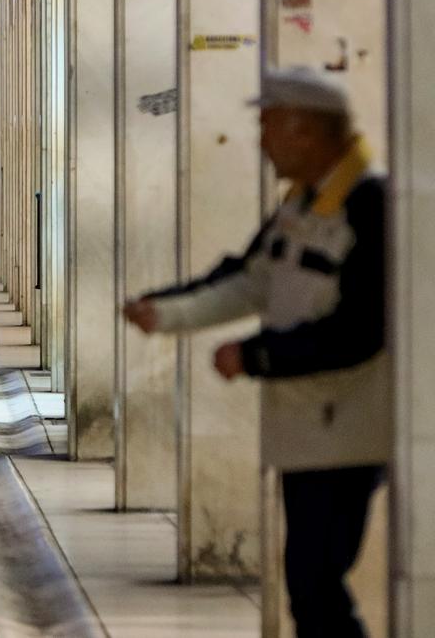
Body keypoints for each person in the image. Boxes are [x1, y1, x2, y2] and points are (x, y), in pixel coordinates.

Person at [123, 67, 386, 638]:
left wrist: (258, 355)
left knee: (316, 581)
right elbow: (248, 279)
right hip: (304, 429)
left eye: (269, 126)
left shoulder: (371, 207)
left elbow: (362, 329)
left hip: (350, 428)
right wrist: (164, 311)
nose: (261, 140)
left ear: (307, 131)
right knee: (309, 581)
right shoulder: (302, 205)